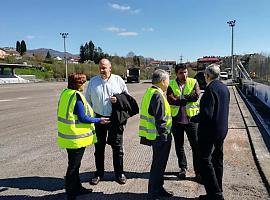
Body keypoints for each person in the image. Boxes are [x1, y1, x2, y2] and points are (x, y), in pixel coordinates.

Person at [57, 73, 109, 200]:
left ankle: (77, 188)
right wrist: (99, 120)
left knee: (74, 164)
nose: (85, 85)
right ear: (79, 84)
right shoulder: (76, 96)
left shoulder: (66, 93)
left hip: (68, 135)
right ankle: (71, 193)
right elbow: (83, 117)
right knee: (74, 166)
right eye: (83, 83)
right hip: (75, 138)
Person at [85, 58, 129, 185]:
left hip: (114, 119)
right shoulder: (93, 82)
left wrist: (118, 99)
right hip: (99, 119)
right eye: (100, 67)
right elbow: (88, 101)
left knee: (118, 148)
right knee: (99, 148)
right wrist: (94, 117)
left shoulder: (118, 80)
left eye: (104, 67)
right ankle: (99, 173)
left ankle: (119, 173)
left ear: (110, 68)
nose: (102, 70)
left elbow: (127, 98)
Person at [190, 64, 230, 200]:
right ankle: (218, 188)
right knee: (217, 160)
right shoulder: (224, 88)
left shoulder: (210, 90)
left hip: (209, 132)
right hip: (221, 130)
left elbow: (206, 114)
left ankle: (215, 194)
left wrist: (193, 118)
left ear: (207, 76)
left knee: (205, 161)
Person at [139, 69, 174, 200]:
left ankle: (159, 189)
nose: (168, 84)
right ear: (163, 81)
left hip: (156, 136)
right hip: (160, 137)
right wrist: (165, 135)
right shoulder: (157, 95)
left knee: (159, 165)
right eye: (168, 80)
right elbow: (161, 119)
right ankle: (153, 194)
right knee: (158, 167)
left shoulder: (151, 92)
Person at [166, 63, 200, 180]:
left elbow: (196, 96)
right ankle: (183, 168)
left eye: (185, 72)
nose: (184, 74)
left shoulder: (193, 82)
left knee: (195, 146)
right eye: (181, 72)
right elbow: (170, 99)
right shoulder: (171, 84)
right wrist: (185, 98)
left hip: (192, 120)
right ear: (177, 73)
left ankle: (198, 171)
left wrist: (180, 98)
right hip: (177, 120)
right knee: (179, 145)